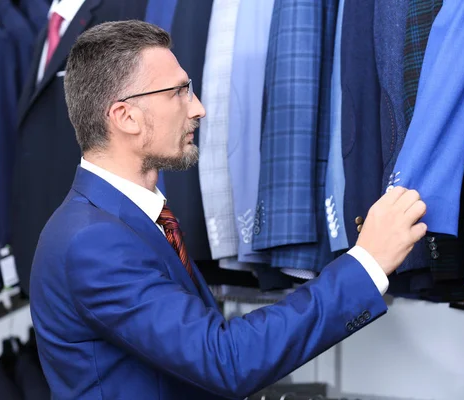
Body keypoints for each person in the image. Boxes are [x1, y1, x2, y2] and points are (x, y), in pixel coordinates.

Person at [29, 20, 428, 400]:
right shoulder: (93, 241)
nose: (198, 108)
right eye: (179, 91)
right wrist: (367, 263)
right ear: (125, 117)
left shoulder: (125, 220)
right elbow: (226, 359)